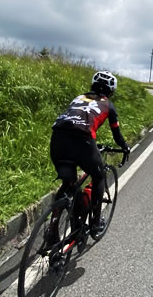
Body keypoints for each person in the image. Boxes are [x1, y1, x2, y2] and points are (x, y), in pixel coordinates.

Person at [50, 70, 130, 235]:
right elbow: (116, 134)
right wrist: (124, 147)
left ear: (92, 85)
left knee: (68, 184)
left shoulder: (79, 98)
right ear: (111, 91)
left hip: (57, 138)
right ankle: (95, 222)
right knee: (99, 176)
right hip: (83, 140)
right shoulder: (108, 105)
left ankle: (51, 232)